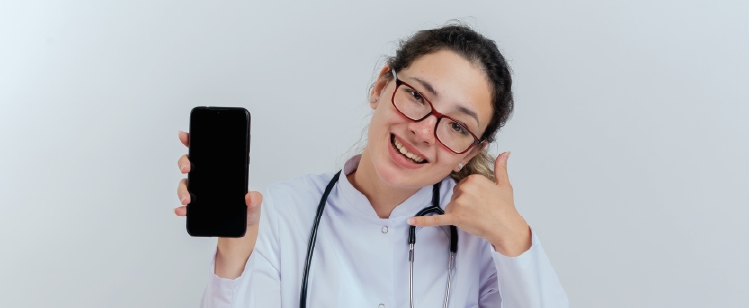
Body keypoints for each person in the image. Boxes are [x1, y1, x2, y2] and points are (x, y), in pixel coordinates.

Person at [174, 24, 569, 307]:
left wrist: (514, 237)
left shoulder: (484, 240)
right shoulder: (280, 215)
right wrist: (233, 256)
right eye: (416, 96)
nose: (423, 132)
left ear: (469, 151)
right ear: (381, 87)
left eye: (456, 126)